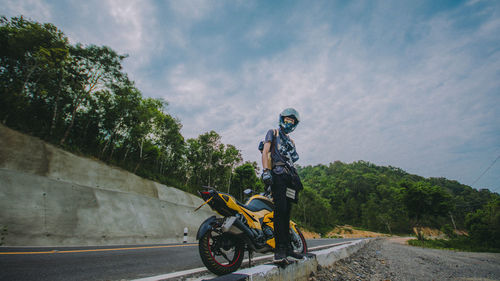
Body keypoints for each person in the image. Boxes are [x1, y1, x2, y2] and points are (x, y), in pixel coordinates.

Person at [261, 108, 304, 264]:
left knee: (287, 212)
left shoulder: (291, 141)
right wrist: (266, 171)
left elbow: (293, 159)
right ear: (282, 119)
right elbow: (265, 152)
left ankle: (288, 248)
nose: (289, 122)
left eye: (293, 121)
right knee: (280, 211)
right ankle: (279, 250)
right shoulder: (273, 132)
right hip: (278, 174)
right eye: (288, 119)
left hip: (290, 178)